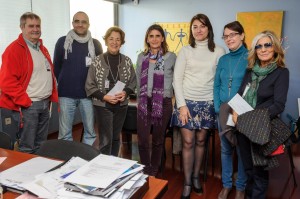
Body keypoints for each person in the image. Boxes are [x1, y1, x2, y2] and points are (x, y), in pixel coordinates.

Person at [172, 14, 225, 198]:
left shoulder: (219, 51)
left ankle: (196, 177)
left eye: (202, 26)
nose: (198, 30)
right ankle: (187, 182)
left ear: (208, 29)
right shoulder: (185, 51)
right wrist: (182, 105)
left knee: (201, 141)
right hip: (187, 103)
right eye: (195, 27)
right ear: (191, 30)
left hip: (208, 103)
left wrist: (217, 105)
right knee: (188, 142)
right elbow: (176, 80)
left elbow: (219, 81)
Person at [233, 30, 289, 199]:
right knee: (249, 169)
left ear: (275, 48)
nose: (263, 49)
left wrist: (252, 118)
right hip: (242, 128)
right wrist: (235, 112)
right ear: (255, 50)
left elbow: (279, 105)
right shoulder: (250, 71)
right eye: (259, 46)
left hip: (261, 128)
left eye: (267, 45)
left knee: (259, 172)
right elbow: (240, 94)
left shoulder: (281, 72)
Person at [0, 12, 58, 153]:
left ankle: (39, 173)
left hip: (45, 104)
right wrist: (26, 102)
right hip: (29, 105)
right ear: (22, 27)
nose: (35, 29)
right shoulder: (13, 50)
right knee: (27, 147)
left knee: (41, 144)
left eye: (38, 26)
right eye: (31, 26)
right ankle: (24, 174)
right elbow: (6, 81)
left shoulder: (41, 48)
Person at [53, 11, 103, 145]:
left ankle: (87, 161)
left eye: (83, 22)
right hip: (66, 94)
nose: (80, 24)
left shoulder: (96, 44)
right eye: (77, 21)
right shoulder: (62, 42)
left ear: (88, 24)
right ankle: (66, 161)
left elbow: (100, 70)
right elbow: (56, 67)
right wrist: (66, 81)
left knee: (90, 133)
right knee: (64, 134)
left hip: (88, 95)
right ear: (73, 23)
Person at [85, 26, 136, 156]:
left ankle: (113, 163)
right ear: (106, 41)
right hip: (102, 105)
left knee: (115, 138)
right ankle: (104, 168)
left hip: (121, 105)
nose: (114, 42)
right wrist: (105, 97)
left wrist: (125, 92)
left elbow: (133, 81)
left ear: (121, 42)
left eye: (118, 39)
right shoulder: (97, 61)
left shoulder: (127, 61)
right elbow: (89, 86)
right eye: (111, 39)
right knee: (106, 140)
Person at [136, 24, 176, 177]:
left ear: (162, 38)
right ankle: (146, 168)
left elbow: (176, 79)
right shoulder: (141, 57)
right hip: (145, 102)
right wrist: (140, 100)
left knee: (158, 140)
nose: (154, 39)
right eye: (151, 36)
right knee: (142, 140)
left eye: (157, 36)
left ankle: (154, 170)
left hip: (163, 103)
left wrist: (174, 100)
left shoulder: (171, 57)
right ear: (147, 38)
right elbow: (139, 81)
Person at [213, 21, 248, 199]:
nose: (229, 39)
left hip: (241, 113)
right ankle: (226, 185)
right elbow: (217, 84)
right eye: (226, 36)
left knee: (242, 152)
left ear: (242, 35)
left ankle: (240, 187)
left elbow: (253, 87)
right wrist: (218, 107)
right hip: (223, 112)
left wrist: (240, 111)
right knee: (226, 150)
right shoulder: (223, 59)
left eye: (233, 34)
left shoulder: (250, 57)